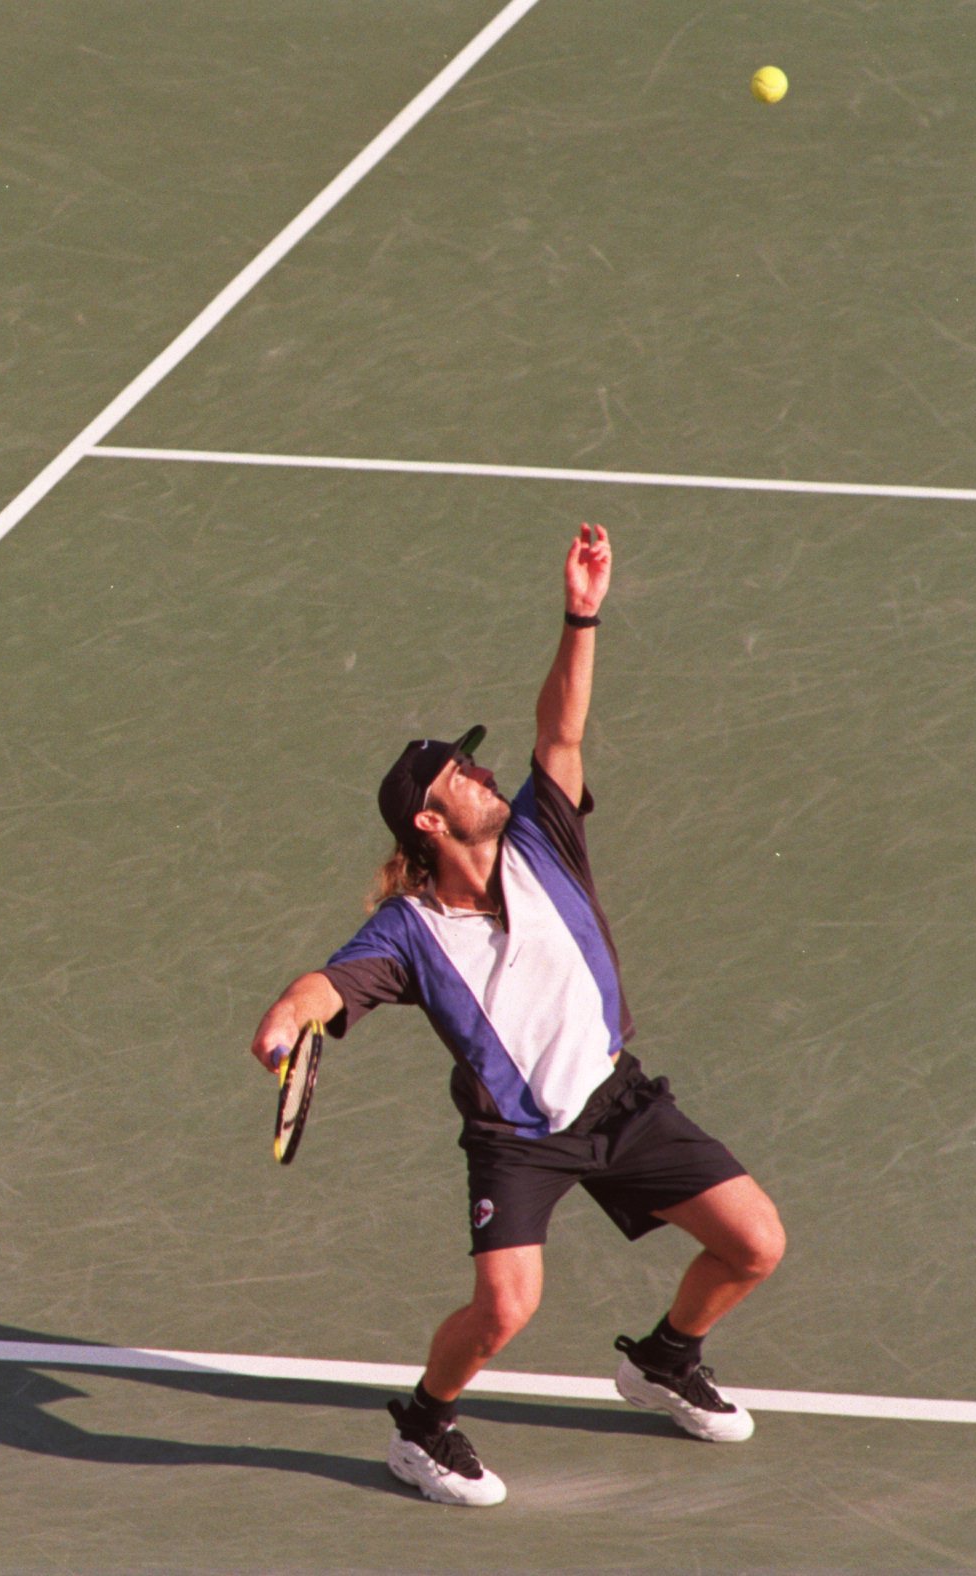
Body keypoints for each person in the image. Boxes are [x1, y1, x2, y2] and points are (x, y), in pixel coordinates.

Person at [250, 523, 785, 1507]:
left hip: (616, 1098)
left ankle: (666, 1357)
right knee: (506, 1304)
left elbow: (560, 732)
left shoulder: (545, 835)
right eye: (462, 772)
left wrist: (581, 613)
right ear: (429, 817)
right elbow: (327, 986)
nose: (484, 773)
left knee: (754, 1241)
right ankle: (421, 1424)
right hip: (518, 1138)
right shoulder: (406, 932)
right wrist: (287, 1021)